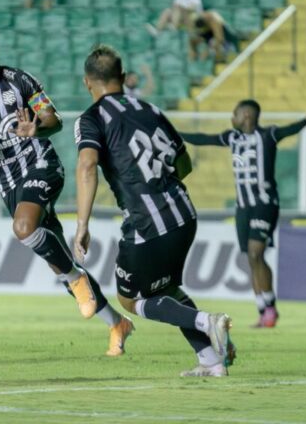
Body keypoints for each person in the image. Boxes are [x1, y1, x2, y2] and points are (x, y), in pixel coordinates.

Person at [0, 26, 134, 357]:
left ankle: (77, 280)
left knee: (24, 228)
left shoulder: (19, 80)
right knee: (57, 261)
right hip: (9, 184)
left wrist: (37, 127)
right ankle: (116, 323)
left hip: (41, 165)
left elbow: (53, 119)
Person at [73, 44, 235, 377]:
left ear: (87, 82)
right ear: (122, 76)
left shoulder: (91, 119)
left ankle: (208, 322)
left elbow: (87, 165)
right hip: (184, 214)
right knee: (166, 289)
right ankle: (210, 361)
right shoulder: (151, 109)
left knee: (130, 299)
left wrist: (82, 225)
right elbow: (184, 163)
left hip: (146, 222)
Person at [179, 100, 306, 328]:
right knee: (252, 259)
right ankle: (264, 310)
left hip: (265, 204)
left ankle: (270, 308)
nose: (231, 118)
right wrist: (175, 134)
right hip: (243, 207)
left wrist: (305, 121)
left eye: (234, 114)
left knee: (256, 253)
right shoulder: (232, 137)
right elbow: (203, 138)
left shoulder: (268, 135)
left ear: (245, 115)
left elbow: (288, 130)